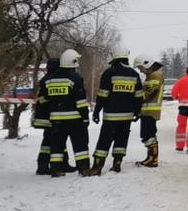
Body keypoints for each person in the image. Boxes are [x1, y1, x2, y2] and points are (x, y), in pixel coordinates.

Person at [84, 50, 143, 175]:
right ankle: (117, 163)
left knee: (104, 140)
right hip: (127, 116)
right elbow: (138, 96)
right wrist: (137, 112)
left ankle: (97, 167)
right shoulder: (134, 74)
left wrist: (96, 112)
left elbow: (102, 95)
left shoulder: (109, 73)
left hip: (111, 116)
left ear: (115, 59)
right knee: (121, 140)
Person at [42, 49, 91, 177]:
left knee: (57, 146)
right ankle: (84, 169)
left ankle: (56, 169)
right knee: (80, 145)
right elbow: (80, 101)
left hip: (56, 120)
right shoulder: (75, 78)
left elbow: (46, 98)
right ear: (73, 62)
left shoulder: (50, 80)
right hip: (75, 120)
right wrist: (85, 117)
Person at [133, 55, 164, 167]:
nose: (140, 70)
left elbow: (150, 92)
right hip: (148, 111)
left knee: (148, 135)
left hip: (150, 111)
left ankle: (153, 159)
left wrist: (135, 97)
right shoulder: (152, 75)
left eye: (140, 68)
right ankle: (150, 157)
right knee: (147, 134)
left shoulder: (155, 76)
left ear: (146, 64)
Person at [32, 58, 59, 175]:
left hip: (47, 115)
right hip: (48, 116)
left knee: (52, 140)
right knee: (51, 141)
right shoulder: (50, 80)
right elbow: (44, 98)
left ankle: (45, 164)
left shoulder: (46, 79)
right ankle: (43, 165)